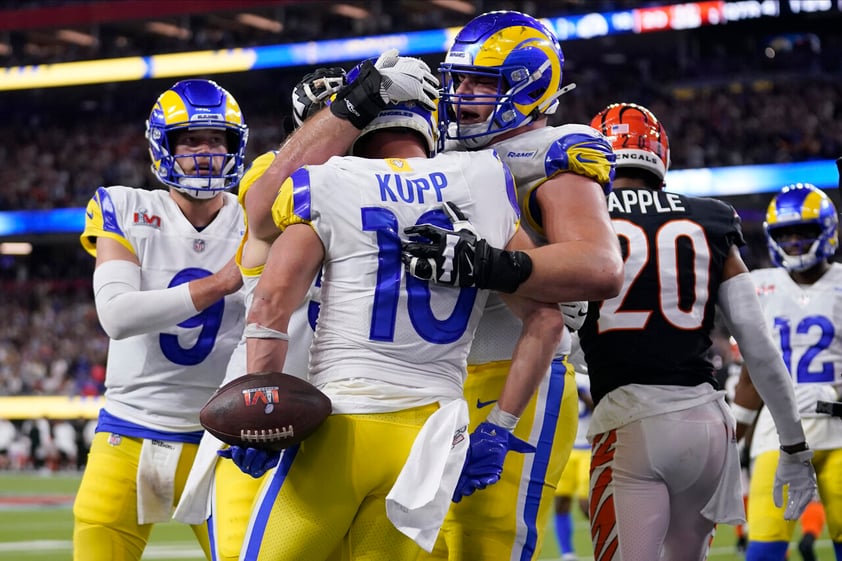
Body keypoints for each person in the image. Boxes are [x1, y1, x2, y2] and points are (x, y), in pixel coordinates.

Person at [227, 95, 566, 561]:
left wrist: (260, 410)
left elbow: (268, 306)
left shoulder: (328, 181)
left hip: (346, 424)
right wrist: (499, 428)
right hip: (432, 436)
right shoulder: (483, 180)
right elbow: (547, 319)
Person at [175, 53, 441, 561]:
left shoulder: (400, 199)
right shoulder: (274, 183)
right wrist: (356, 102)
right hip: (266, 423)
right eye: (334, 125)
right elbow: (266, 206)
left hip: (353, 429)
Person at [402, 11, 623, 560]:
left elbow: (600, 265)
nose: (463, 95)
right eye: (459, 79)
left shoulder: (550, 152)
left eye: (483, 81)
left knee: (487, 546)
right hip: (432, 376)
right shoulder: (442, 153)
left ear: (529, 86)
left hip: (516, 373)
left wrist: (488, 264)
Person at [569, 102, 818, 561]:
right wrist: (794, 445)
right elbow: (760, 350)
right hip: (705, 429)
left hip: (628, 425)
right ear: (660, 155)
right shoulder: (710, 218)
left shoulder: (578, 216)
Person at [73, 78, 249, 561]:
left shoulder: (257, 217)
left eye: (218, 140)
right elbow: (117, 315)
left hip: (223, 439)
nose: (207, 152)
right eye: (191, 140)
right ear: (164, 146)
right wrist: (221, 283)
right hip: (128, 431)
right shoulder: (124, 206)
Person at [731, 182, 842, 561]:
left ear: (827, 231)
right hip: (776, 438)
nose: (794, 242)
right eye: (786, 234)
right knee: (762, 551)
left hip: (840, 432)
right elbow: (751, 374)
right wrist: (730, 445)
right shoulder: (758, 286)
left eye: (804, 232)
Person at [553, 335, 592, 561]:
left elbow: (599, 408)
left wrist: (583, 396)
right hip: (567, 448)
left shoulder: (590, 374)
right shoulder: (562, 371)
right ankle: (567, 554)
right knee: (561, 502)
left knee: (587, 506)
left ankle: (606, 546)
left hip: (588, 447)